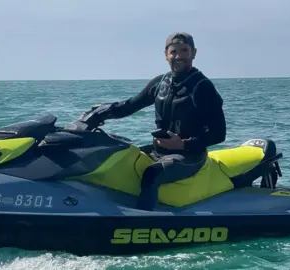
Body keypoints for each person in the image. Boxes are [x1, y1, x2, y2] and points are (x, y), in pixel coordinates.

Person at [93, 32, 227, 210]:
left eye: (184, 50)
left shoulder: (202, 87)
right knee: (118, 158)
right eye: (173, 52)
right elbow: (131, 105)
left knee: (152, 173)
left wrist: (183, 144)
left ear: (193, 53)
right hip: (159, 152)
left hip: (190, 156)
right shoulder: (161, 83)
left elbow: (219, 133)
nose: (178, 56)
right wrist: (97, 115)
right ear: (166, 55)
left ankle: (142, 222)